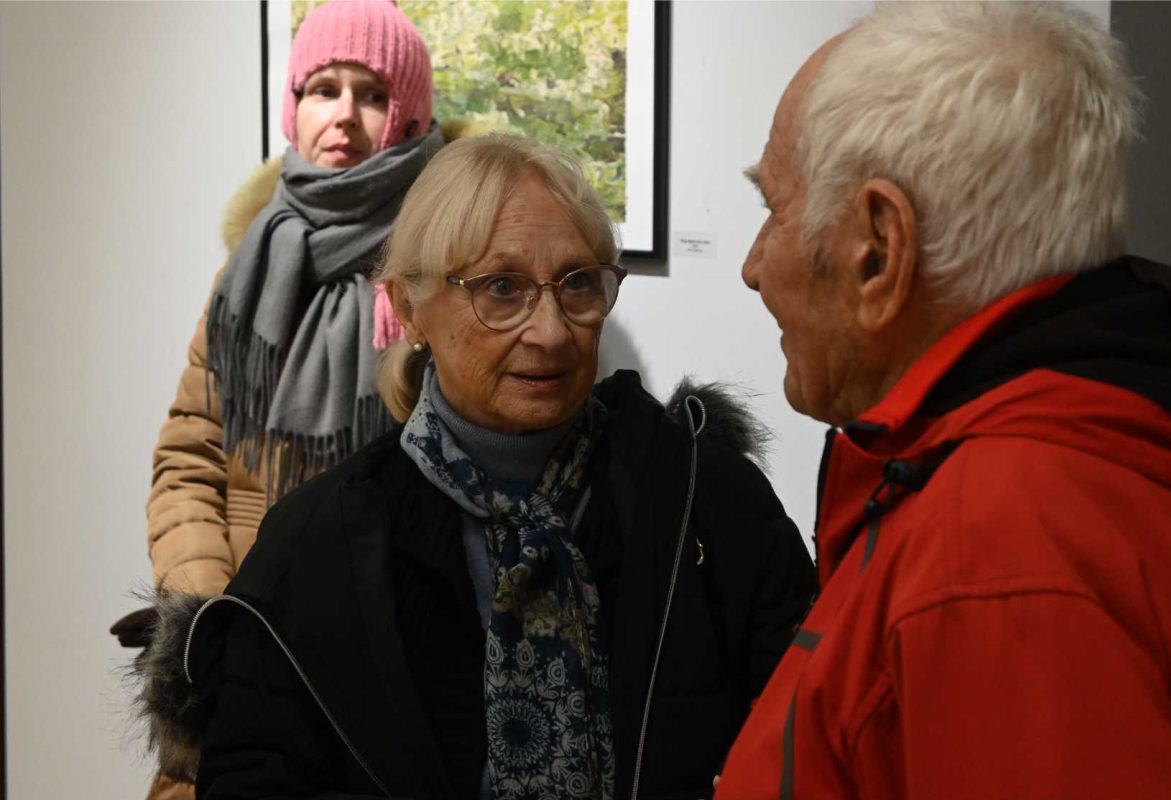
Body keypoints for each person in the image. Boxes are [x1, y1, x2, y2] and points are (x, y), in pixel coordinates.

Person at [137, 134, 815, 799]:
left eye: (578, 283)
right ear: (409, 308)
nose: (550, 331)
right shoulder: (317, 548)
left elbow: (815, 740)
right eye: (501, 288)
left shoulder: (706, 500)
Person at [714, 3, 1171, 798]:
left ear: (878, 250)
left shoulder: (998, 544)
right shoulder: (1062, 464)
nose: (754, 266)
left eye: (773, 209)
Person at [121, 1, 439, 797]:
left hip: (385, 664)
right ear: (293, 107)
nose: (344, 115)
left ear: (409, 115)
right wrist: (210, 612)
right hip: (243, 634)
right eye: (322, 89)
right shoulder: (250, 269)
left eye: (372, 93)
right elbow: (190, 457)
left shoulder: (444, 271)